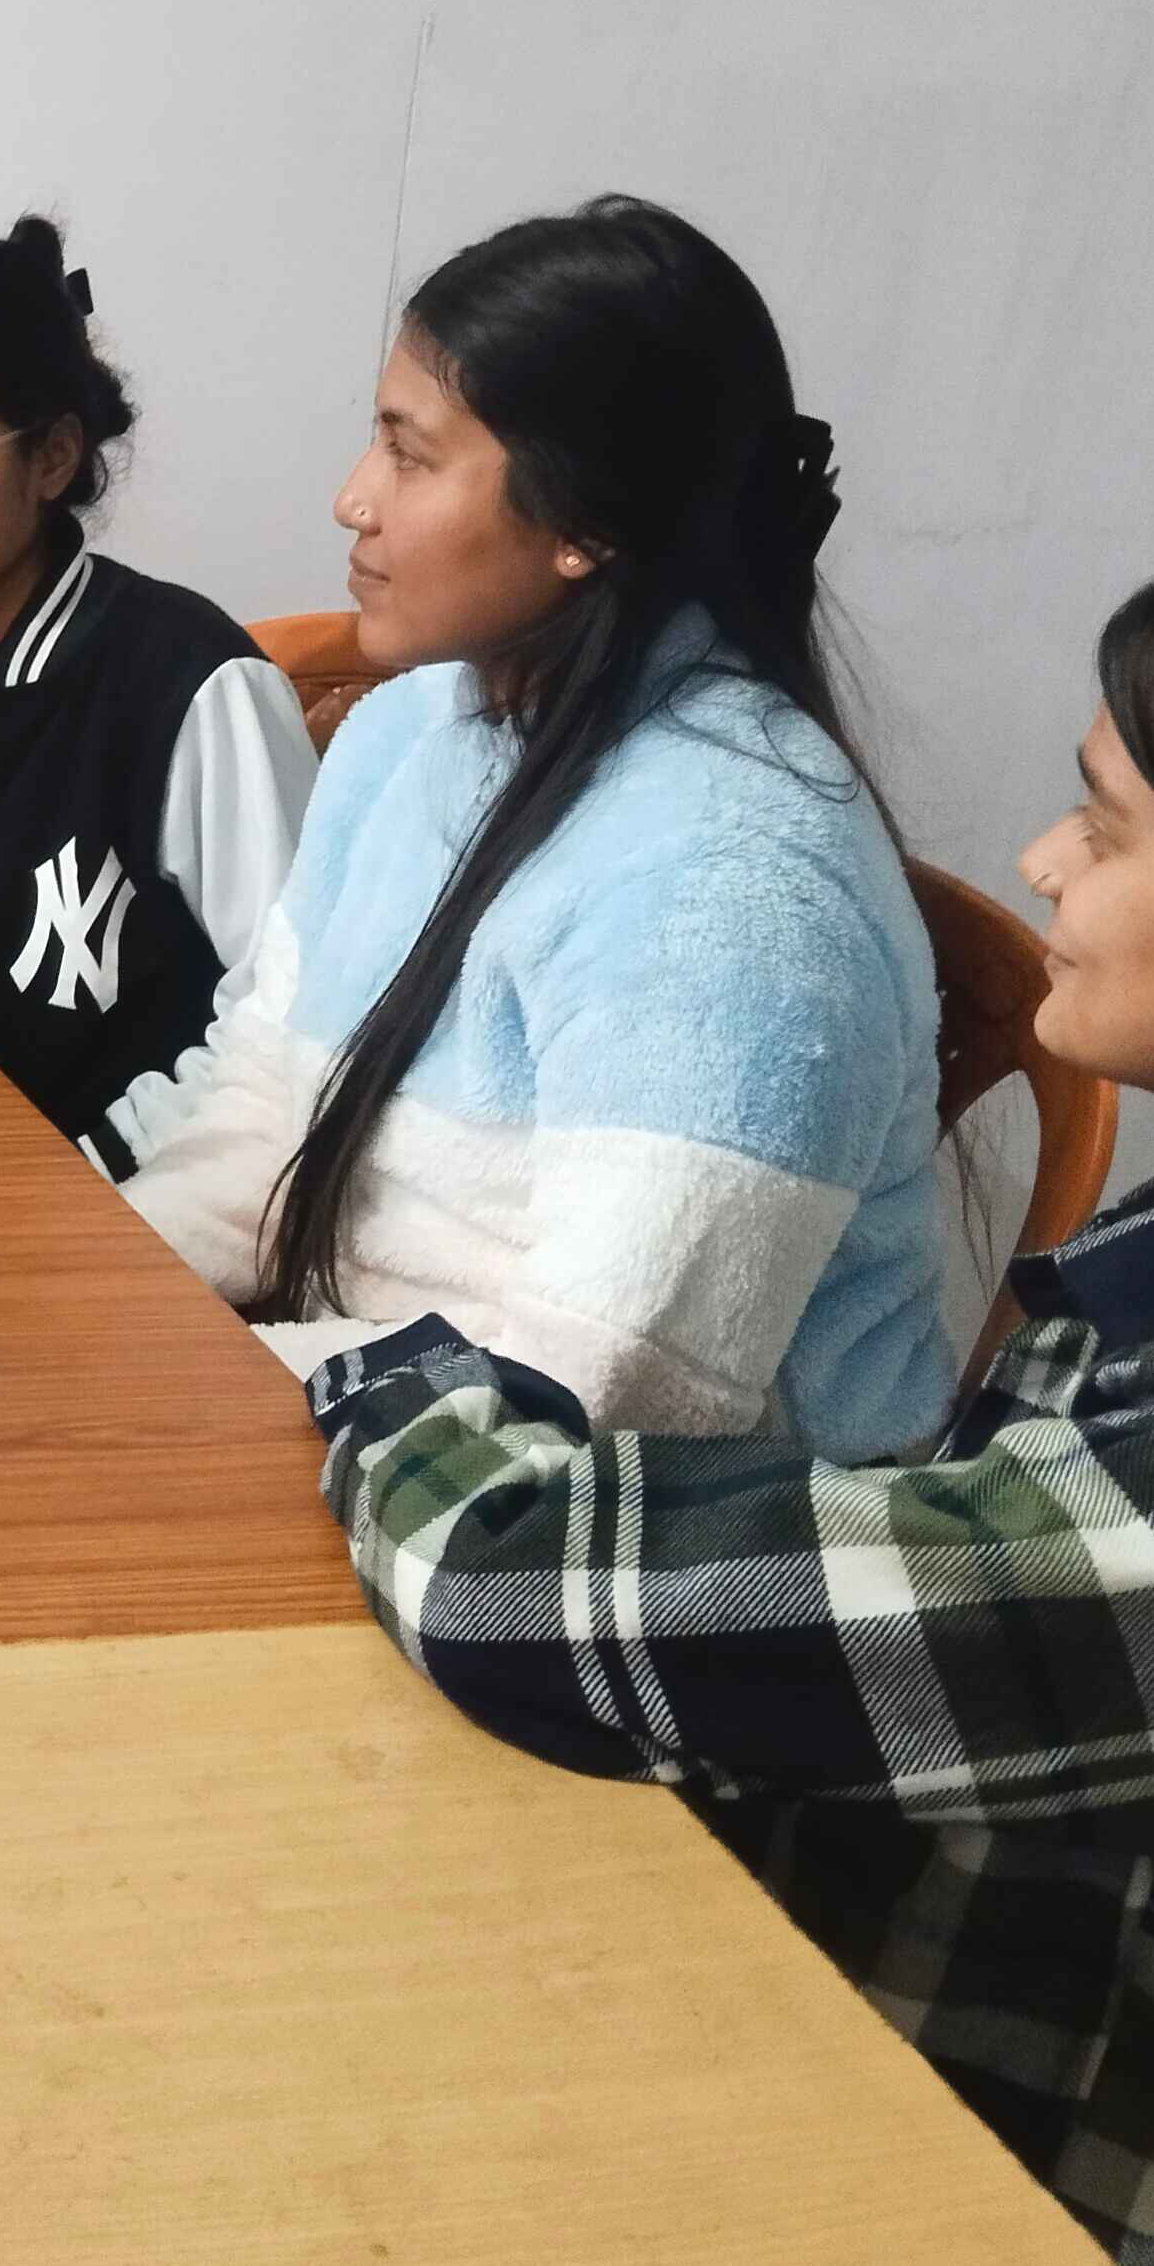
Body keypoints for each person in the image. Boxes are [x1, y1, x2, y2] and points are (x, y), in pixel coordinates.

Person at [307, 506, 1154, 2266]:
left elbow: (511, 1588)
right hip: (936, 1933)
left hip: (1021, 2224)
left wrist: (382, 1378)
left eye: (1108, 824)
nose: (1041, 858)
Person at [122, 195, 950, 1457]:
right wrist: (91, 1300)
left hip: (648, 1524)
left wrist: (180, 1379)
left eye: (410, 455)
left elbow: (613, 1381)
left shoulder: (735, 881)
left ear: (586, 525)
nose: (353, 500)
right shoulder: (410, 731)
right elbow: (267, 1105)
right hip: (378, 1420)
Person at [0, 217, 314, 1175]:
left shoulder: (193, 683)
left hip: (130, 1199)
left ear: (52, 456)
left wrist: (90, 1177)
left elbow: (297, 1017)